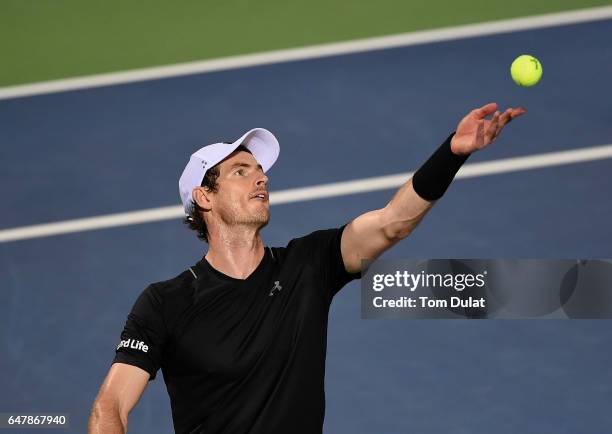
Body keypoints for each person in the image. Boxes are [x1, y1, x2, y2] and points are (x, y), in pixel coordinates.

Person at [88, 102, 525, 434]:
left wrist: (452, 152)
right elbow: (111, 407)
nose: (261, 178)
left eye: (261, 171)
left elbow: (393, 223)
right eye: (241, 171)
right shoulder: (165, 303)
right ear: (205, 198)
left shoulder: (309, 264)